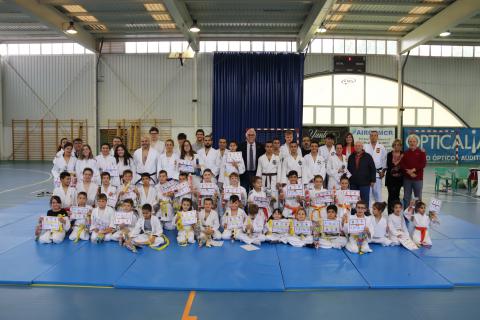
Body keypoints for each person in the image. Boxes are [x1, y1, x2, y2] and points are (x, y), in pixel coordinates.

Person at [401, 135, 427, 207]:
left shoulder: (421, 152)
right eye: (410, 141)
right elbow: (402, 164)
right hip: (407, 179)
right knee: (406, 197)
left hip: (418, 179)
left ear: (417, 142)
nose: (412, 143)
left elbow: (423, 164)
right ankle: (406, 214)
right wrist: (409, 172)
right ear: (408, 143)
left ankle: (418, 214)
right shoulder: (405, 153)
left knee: (418, 198)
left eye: (414, 141)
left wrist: (413, 170)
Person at [347, 141, 376, 205]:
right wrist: (348, 180)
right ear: (354, 147)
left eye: (359, 146)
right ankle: (353, 213)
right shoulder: (351, 157)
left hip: (365, 183)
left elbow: (373, 169)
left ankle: (366, 212)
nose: (358, 147)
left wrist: (373, 180)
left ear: (362, 147)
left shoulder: (368, 156)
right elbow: (348, 169)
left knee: (364, 200)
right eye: (356, 146)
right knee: (354, 200)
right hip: (353, 183)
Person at [364, 131, 387, 204]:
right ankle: (369, 211)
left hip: (378, 173)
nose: (373, 137)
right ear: (370, 137)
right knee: (368, 194)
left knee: (378, 193)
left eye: (375, 135)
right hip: (367, 174)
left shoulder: (381, 147)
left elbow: (384, 160)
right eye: (372, 135)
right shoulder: (365, 146)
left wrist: (383, 172)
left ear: (377, 137)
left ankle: (379, 210)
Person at [386, 139, 404, 214]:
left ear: (400, 146)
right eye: (395, 145)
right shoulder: (389, 154)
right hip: (390, 178)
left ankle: (397, 212)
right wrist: (397, 166)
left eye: (398, 145)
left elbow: (404, 165)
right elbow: (389, 165)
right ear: (393, 146)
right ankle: (390, 212)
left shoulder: (404, 154)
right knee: (390, 196)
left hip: (399, 179)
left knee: (397, 195)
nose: (396, 146)